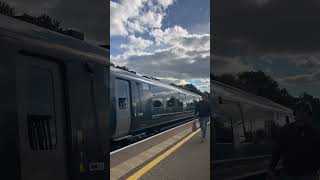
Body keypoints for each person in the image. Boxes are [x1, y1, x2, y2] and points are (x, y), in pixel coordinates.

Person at [266, 100, 320, 180]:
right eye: (299, 110)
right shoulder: (286, 129)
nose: (301, 113)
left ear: (309, 114)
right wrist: (271, 168)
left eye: (304, 110)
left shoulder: (315, 131)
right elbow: (277, 150)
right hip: (289, 173)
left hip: (309, 173)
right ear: (295, 113)